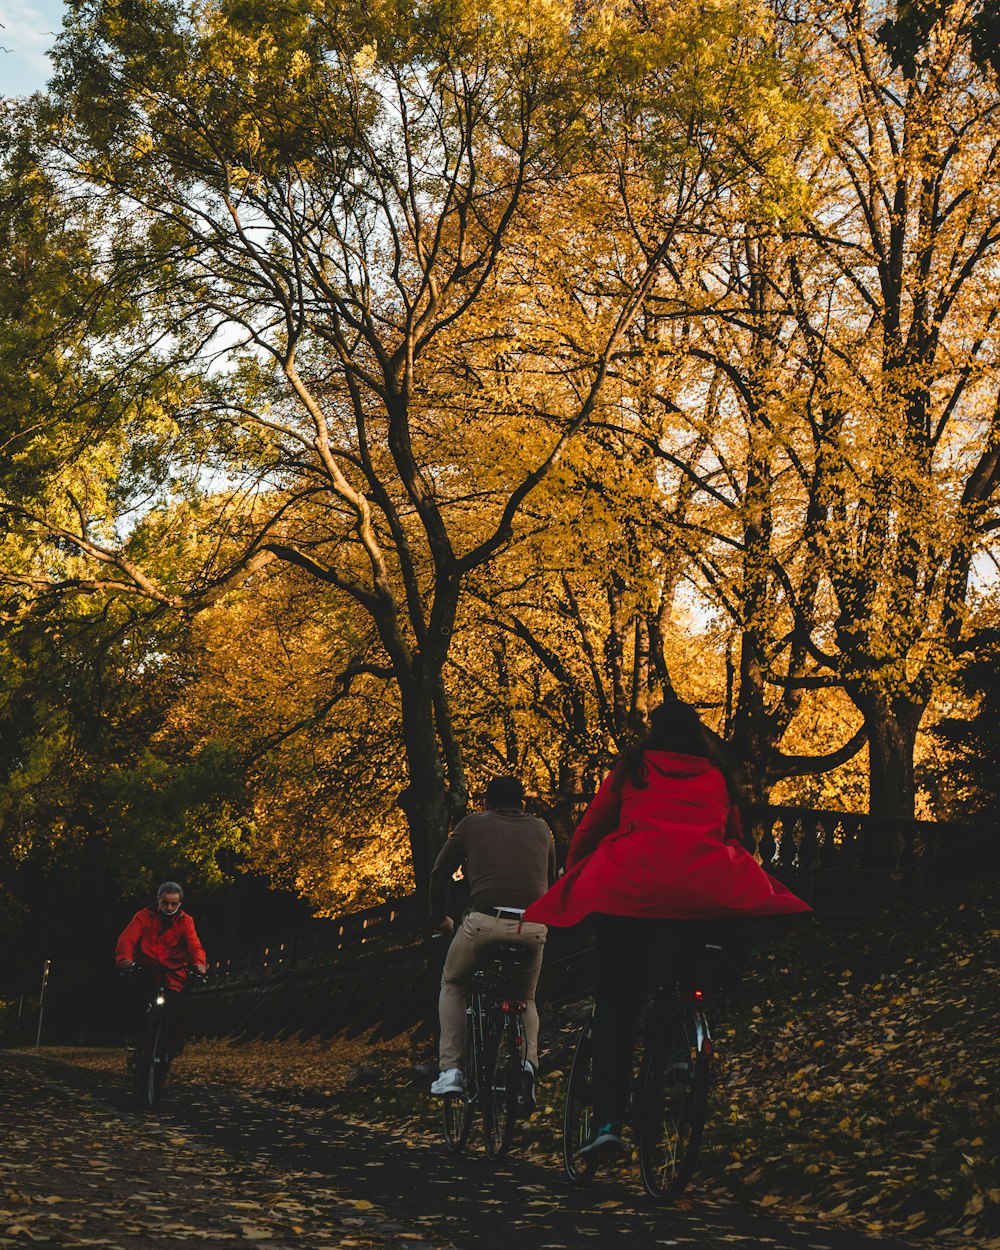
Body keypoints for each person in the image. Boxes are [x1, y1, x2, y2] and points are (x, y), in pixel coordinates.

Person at [523, 700, 810, 1159]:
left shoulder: (634, 768)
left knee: (617, 1004)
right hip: (702, 895)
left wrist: (576, 875)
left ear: (652, 732)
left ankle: (608, 1125)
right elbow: (734, 835)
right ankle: (678, 1047)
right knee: (686, 977)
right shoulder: (718, 775)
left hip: (632, 892)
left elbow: (592, 826)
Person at [428, 776, 556, 1102]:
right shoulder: (542, 829)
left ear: (485, 802)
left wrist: (439, 917)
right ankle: (528, 1065)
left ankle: (451, 1071)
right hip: (533, 925)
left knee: (453, 982)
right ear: (522, 804)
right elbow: (553, 881)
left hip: (485, 922)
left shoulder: (471, 824)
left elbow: (439, 873)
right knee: (525, 998)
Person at [116, 881, 207, 1057]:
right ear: (158, 900)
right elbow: (127, 938)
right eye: (165, 903)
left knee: (176, 1011)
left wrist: (199, 964)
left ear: (180, 903)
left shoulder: (186, 921)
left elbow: (193, 944)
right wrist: (125, 959)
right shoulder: (143, 916)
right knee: (135, 998)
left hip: (173, 972)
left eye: (174, 904)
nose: (169, 907)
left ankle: (171, 1047)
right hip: (147, 967)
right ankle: (133, 1035)